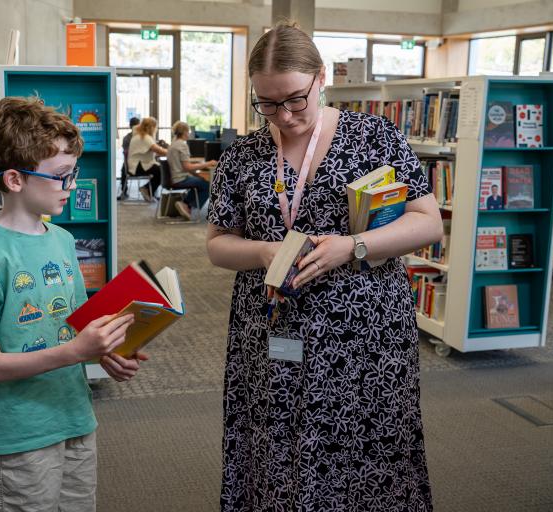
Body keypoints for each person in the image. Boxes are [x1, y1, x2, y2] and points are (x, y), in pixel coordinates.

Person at [206, 21, 442, 511]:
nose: (284, 116)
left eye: (294, 99)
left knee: (368, 446)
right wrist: (263, 252)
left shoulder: (375, 137)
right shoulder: (242, 158)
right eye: (266, 104)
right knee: (275, 444)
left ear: (321, 79)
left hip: (364, 335)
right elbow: (217, 245)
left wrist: (352, 245)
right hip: (271, 329)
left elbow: (427, 223)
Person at [0, 97, 146, 512]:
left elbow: (75, 325)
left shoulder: (62, 240)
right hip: (18, 437)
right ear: (16, 180)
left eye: (72, 173)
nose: (72, 186)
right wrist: (76, 352)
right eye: (60, 176)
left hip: (75, 418)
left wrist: (104, 352)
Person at [168, 121, 216, 220]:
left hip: (174, 177)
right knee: (207, 185)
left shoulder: (173, 143)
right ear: (184, 132)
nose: (189, 133)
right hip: (180, 179)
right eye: (188, 131)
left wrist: (197, 175)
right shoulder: (182, 145)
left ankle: (185, 204)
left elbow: (185, 167)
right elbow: (187, 167)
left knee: (200, 181)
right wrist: (208, 163)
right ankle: (187, 205)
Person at [127, 116, 168, 201]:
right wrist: (172, 152)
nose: (156, 129)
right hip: (138, 166)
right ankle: (146, 189)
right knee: (163, 171)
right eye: (155, 127)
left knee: (159, 170)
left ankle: (149, 191)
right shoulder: (145, 137)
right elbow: (159, 150)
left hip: (138, 164)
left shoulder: (140, 135)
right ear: (151, 127)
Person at [118, 116, 140, 200]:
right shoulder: (127, 138)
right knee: (124, 169)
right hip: (133, 162)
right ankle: (124, 191)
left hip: (133, 162)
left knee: (124, 169)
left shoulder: (127, 138)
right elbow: (127, 153)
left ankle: (124, 192)